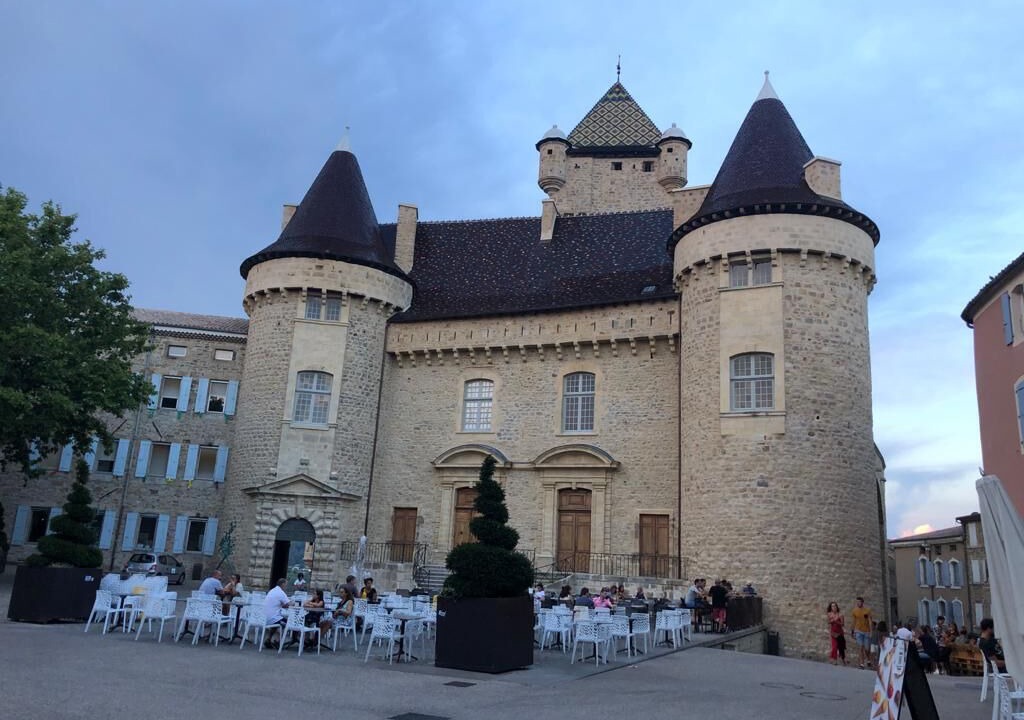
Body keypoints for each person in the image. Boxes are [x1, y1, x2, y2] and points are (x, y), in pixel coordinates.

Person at [263, 578, 291, 648]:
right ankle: (277, 641)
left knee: (277, 621)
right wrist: (294, 602)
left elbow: (278, 603)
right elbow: (289, 604)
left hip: (264, 618)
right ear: (283, 584)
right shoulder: (281, 592)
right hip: (272, 618)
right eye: (286, 585)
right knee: (289, 622)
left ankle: (268, 639)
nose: (286, 586)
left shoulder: (272, 590)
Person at [850, 596, 874, 669]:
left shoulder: (867, 611)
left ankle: (868, 660)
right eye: (857, 602)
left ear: (862, 602)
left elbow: (870, 621)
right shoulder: (854, 611)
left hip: (866, 631)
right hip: (858, 631)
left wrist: (871, 632)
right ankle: (862, 664)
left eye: (859, 602)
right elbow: (854, 621)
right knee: (860, 647)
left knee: (867, 649)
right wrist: (852, 631)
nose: (858, 603)